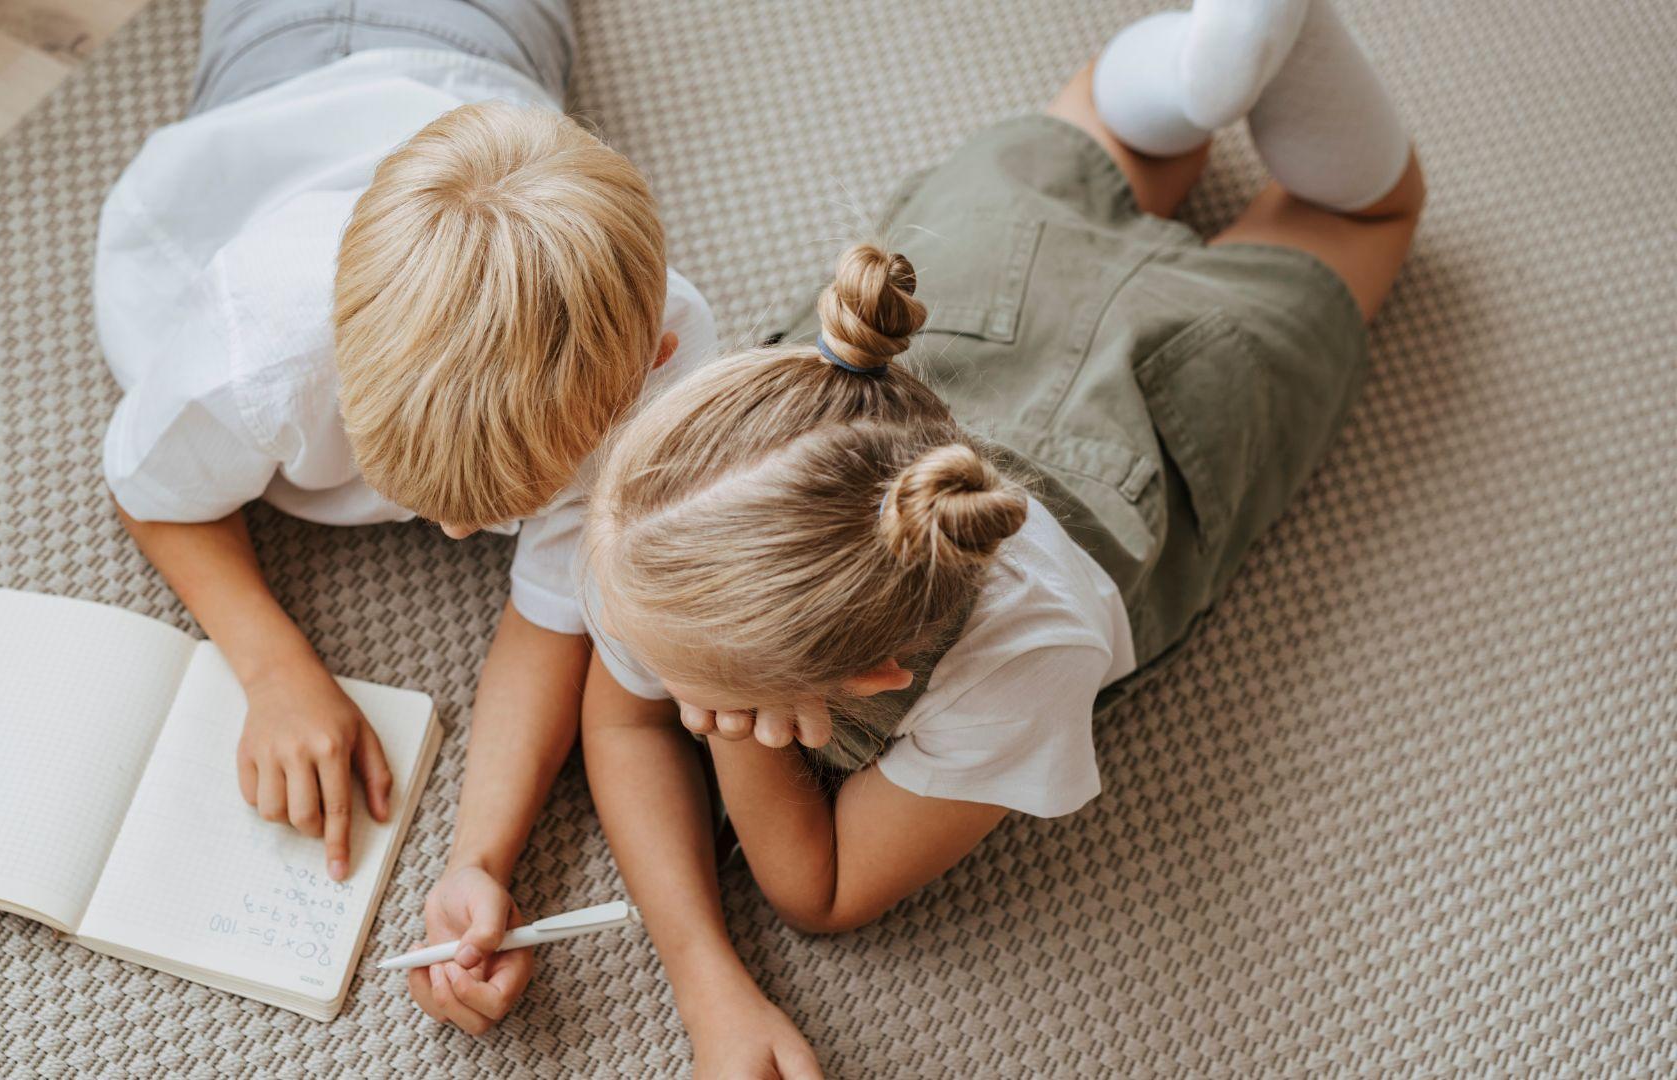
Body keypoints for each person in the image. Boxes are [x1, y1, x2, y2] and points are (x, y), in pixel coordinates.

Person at [574, 1, 1423, 1073]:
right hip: (982, 284)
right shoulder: (685, 504)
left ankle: (1216, 73)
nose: (644, 673)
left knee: (1368, 215)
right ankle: (1196, 77)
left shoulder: (1027, 657)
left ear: (877, 674)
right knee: (1104, 133)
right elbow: (621, 724)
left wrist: (742, 738)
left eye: (705, 691)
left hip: (1174, 398)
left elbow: (821, 889)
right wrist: (707, 982)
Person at [92, 0, 715, 1034]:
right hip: (286, 56)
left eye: (502, 509)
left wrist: (480, 859)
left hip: (492, 41)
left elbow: (557, 612)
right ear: (336, 371)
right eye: (432, 502)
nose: (462, 539)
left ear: (643, 369)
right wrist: (272, 664)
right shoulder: (262, 351)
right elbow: (146, 489)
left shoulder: (664, 351)